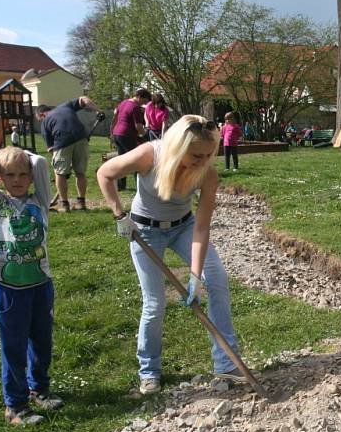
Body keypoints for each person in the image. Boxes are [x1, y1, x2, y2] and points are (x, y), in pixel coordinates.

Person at [97, 115, 245, 395]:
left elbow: (201, 228)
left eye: (208, 155)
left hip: (184, 227)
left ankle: (227, 364)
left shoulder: (207, 173)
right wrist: (119, 215)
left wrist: (194, 275)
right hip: (144, 230)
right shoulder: (148, 156)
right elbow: (104, 173)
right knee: (155, 302)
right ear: (178, 147)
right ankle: (149, 371)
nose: (202, 161)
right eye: (196, 155)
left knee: (215, 281)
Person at [0, 146, 63, 425]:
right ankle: (15, 405)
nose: (17, 180)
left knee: (42, 341)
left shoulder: (40, 201)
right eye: (10, 175)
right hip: (9, 288)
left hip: (40, 285)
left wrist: (26, 156)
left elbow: (40, 162)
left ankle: (39, 388)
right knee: (13, 346)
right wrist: (1, 159)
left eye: (23, 174)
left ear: (31, 177)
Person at [36, 95, 100, 212]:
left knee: (59, 173)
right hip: (81, 137)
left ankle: (64, 205)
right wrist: (98, 111)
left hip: (62, 141)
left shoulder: (45, 122)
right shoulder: (65, 106)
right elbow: (83, 99)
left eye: (39, 119)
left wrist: (63, 168)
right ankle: (81, 203)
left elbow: (51, 149)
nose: (40, 121)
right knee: (80, 172)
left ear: (41, 114)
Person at [112, 88, 152, 191]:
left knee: (122, 160)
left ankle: (121, 185)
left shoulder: (124, 102)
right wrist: (145, 135)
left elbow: (116, 113)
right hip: (126, 135)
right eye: (144, 101)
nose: (144, 104)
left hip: (117, 134)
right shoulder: (135, 107)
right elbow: (138, 126)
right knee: (136, 160)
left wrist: (112, 130)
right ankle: (140, 187)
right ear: (140, 97)